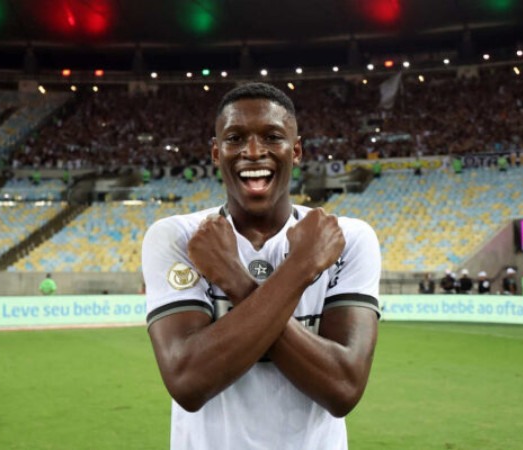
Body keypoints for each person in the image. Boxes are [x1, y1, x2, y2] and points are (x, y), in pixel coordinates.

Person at [142, 83, 381, 450]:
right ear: (216, 152)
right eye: (235, 138)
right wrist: (302, 266)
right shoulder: (179, 238)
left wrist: (238, 281)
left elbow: (343, 389)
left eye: (272, 136)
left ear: (296, 150)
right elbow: (188, 381)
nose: (253, 152)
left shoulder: (347, 239)